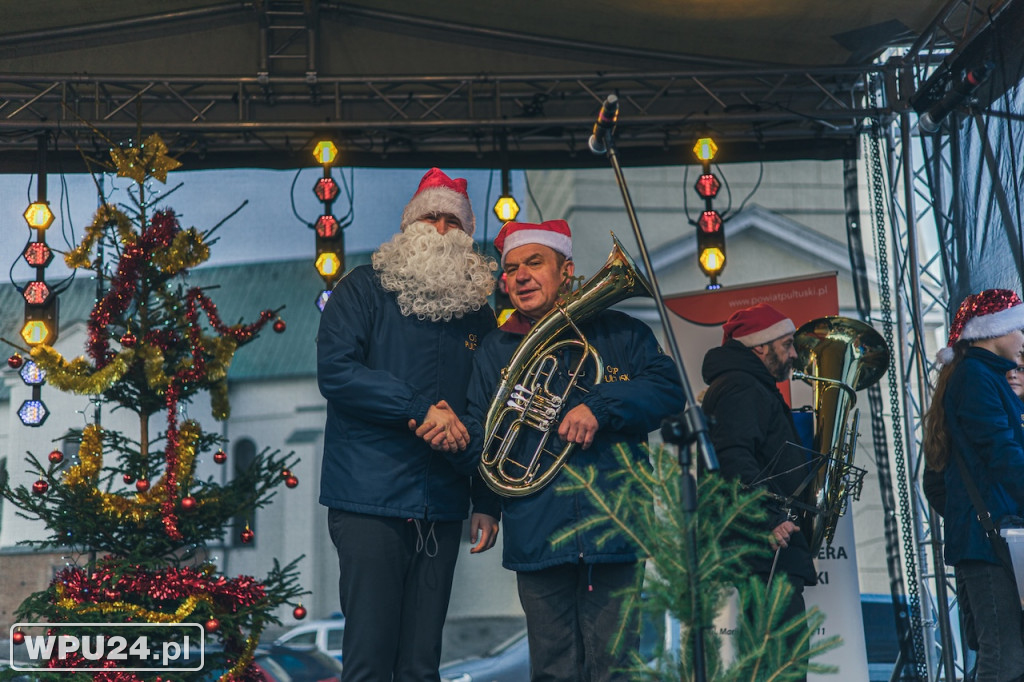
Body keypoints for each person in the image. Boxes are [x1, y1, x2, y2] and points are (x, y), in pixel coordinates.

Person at [462, 220, 685, 682]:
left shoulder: (623, 333)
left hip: (615, 526)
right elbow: (485, 429)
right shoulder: (495, 348)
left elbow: (669, 390)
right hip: (537, 528)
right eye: (511, 268)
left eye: (534, 263)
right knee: (552, 670)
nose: (520, 276)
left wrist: (599, 406)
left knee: (617, 669)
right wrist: (484, 504)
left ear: (567, 270)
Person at [317, 168, 501, 682]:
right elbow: (336, 372)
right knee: (370, 662)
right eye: (430, 217)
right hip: (368, 503)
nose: (440, 230)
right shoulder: (361, 290)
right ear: (408, 226)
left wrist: (486, 500)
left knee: (422, 666)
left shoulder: (478, 316)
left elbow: (489, 411)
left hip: (441, 507)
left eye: (452, 222)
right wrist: (419, 409)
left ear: (466, 236)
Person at [699, 303, 817, 680]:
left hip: (764, 548)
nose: (794, 354)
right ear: (759, 347)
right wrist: (768, 516)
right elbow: (732, 458)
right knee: (780, 664)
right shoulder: (741, 387)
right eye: (787, 345)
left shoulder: (746, 386)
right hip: (762, 549)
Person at [921, 289, 1024, 682]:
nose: (1023, 339)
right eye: (1019, 328)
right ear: (995, 330)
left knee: (1007, 659)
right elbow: (1001, 452)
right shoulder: (975, 377)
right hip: (988, 541)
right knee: (1004, 660)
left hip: (997, 534)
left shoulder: (987, 376)